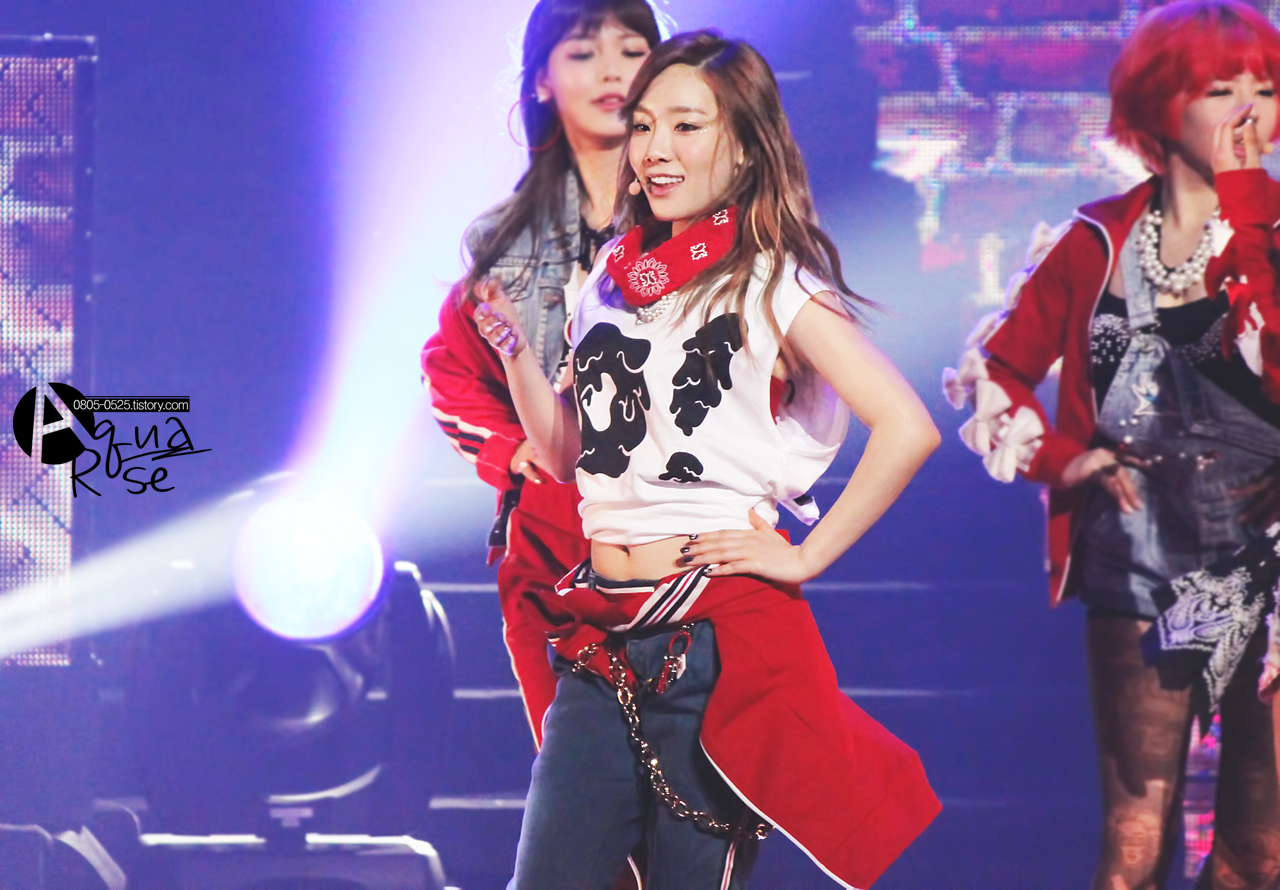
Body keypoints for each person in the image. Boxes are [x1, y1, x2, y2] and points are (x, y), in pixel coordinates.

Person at [471, 29, 942, 890]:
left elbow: (907, 426)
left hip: (709, 640)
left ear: (746, 144)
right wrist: (513, 356)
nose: (656, 149)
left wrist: (805, 556)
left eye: (687, 126)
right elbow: (574, 457)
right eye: (644, 125)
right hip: (602, 638)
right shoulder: (612, 277)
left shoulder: (772, 282)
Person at [946, 2, 1280, 886]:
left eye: (1266, 87)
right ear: (1163, 105)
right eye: (1222, 89)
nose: (1250, 110)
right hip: (1142, 548)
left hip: (1271, 555)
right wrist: (1070, 458)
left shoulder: (1274, 233)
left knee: (1261, 847)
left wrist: (1250, 204)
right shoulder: (1096, 238)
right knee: (1135, 835)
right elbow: (997, 367)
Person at [421, 0, 661, 747]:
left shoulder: (706, 225)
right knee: (583, 793)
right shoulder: (502, 244)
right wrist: (511, 449)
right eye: (584, 53)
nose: (613, 71)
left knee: (692, 794)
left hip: (677, 536)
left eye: (632, 50)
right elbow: (449, 374)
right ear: (541, 81)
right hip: (554, 551)